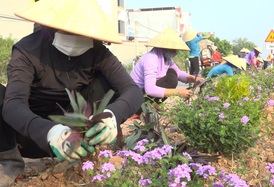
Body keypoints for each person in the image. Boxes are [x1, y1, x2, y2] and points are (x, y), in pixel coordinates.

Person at [0, 0, 144, 186]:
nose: (75, 35)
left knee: (108, 84)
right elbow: (13, 105)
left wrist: (112, 116)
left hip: (76, 137)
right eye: (69, 29)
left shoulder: (98, 52)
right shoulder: (28, 50)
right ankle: (8, 161)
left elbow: (133, 90)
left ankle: (90, 155)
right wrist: (49, 132)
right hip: (28, 136)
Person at [130, 28, 206, 110]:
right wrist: (178, 92)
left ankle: (152, 106)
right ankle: (147, 108)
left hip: (143, 95)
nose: (175, 52)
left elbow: (179, 73)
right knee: (171, 78)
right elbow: (150, 89)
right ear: (164, 48)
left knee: (172, 73)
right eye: (172, 50)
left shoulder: (166, 60)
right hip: (136, 99)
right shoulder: (151, 59)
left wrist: (194, 79)